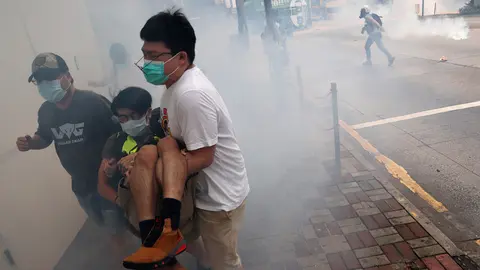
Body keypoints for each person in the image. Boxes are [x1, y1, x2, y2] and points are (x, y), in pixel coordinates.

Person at [122, 9, 250, 270]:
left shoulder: (190, 94)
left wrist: (152, 173)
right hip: (197, 192)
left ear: (181, 57)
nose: (146, 63)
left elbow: (204, 156)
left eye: (154, 56)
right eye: (144, 55)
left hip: (218, 199)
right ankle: (158, 240)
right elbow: (180, 142)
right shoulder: (172, 88)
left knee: (224, 263)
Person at [98, 86, 210, 269]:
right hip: (141, 208)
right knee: (163, 259)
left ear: (148, 112)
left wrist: (140, 158)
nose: (128, 122)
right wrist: (122, 201)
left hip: (174, 203)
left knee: (192, 245)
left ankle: (206, 262)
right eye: (122, 118)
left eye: (133, 116)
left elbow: (191, 154)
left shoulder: (164, 128)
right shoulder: (115, 142)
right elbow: (102, 185)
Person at [16, 52, 123, 231]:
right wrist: (30, 143)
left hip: (107, 179)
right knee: (103, 227)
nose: (44, 85)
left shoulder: (93, 102)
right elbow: (44, 137)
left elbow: (119, 134)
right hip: (81, 186)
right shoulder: (46, 111)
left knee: (119, 224)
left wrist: (116, 160)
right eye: (39, 81)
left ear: (68, 76)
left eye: (50, 78)